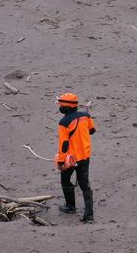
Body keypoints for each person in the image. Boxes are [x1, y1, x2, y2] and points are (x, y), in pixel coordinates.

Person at [56, 93, 96, 222]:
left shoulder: (64, 122)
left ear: (67, 107)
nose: (60, 107)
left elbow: (64, 144)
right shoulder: (86, 116)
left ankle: (70, 206)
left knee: (66, 181)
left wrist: (61, 161)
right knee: (85, 185)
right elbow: (92, 130)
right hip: (85, 156)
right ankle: (89, 215)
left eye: (61, 105)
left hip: (70, 159)